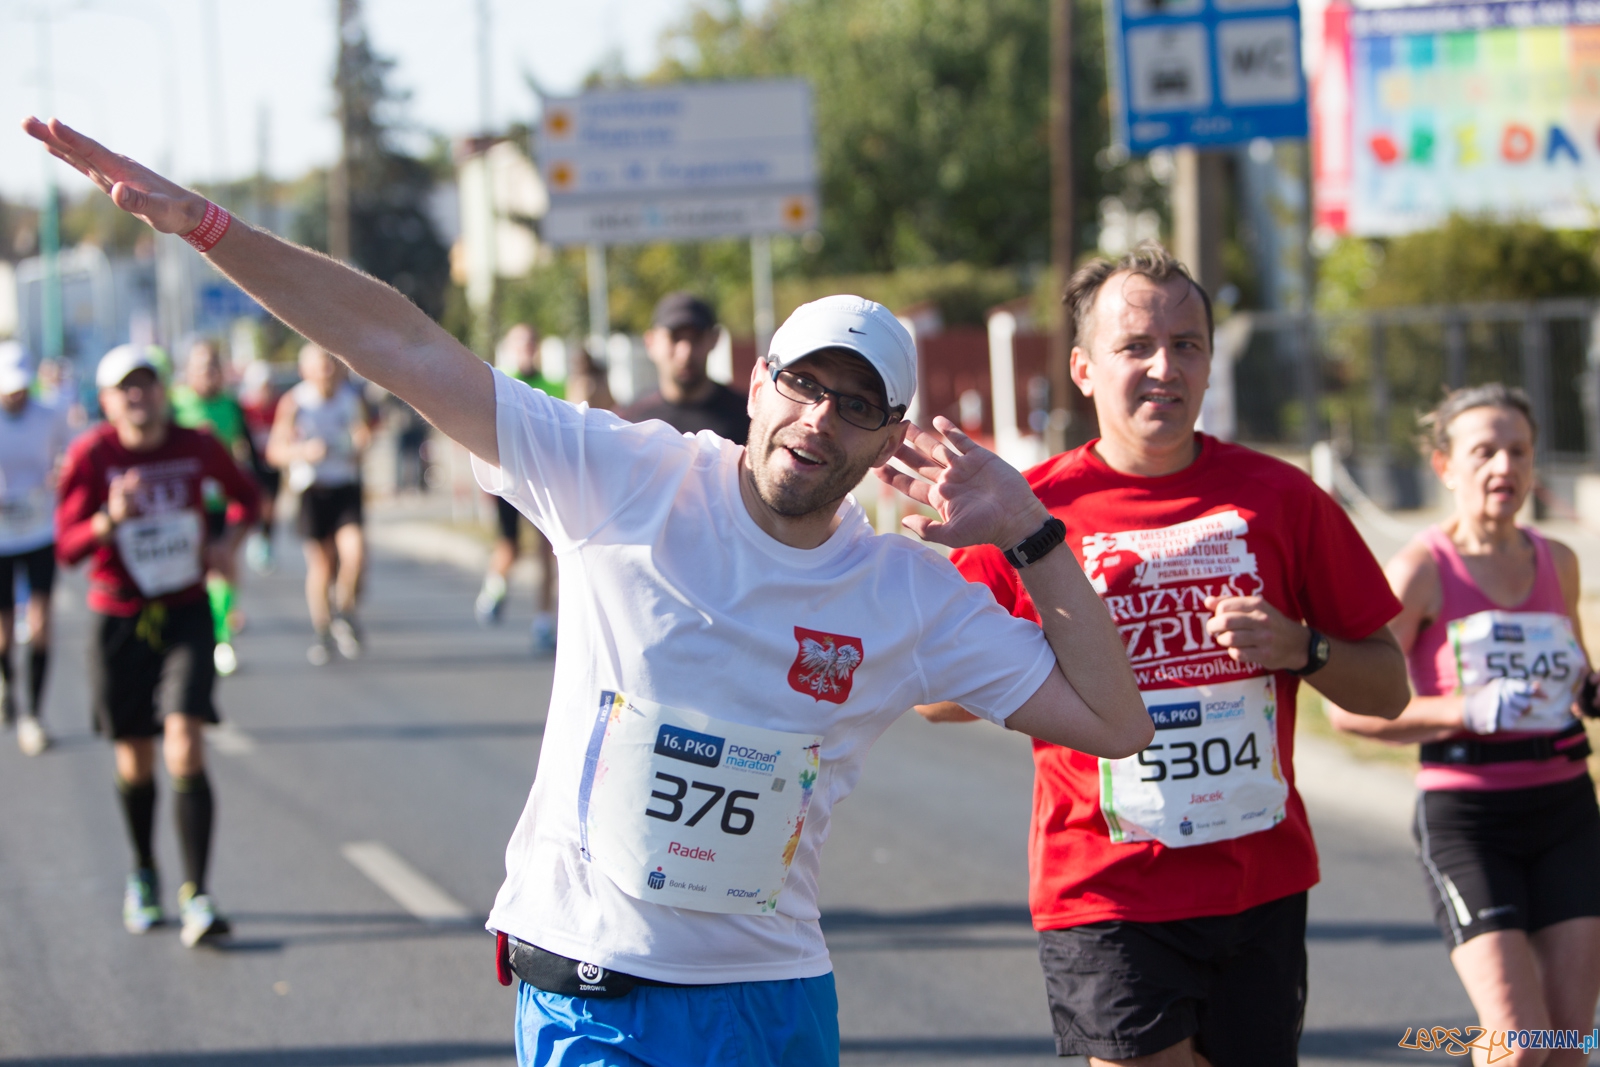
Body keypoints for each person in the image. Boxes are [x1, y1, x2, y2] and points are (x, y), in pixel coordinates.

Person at [26, 116, 1159, 1065]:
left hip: (770, 993)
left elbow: (1113, 721)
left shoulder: (906, 591)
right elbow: (404, 346)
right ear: (756, 384)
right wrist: (210, 229)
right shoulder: (625, 475)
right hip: (591, 984)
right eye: (805, 385)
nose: (820, 419)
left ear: (887, 437)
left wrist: (1029, 534)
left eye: (856, 406)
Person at [920, 243, 1411, 1067]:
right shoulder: (1028, 511)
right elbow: (936, 694)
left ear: (1211, 361)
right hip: (1102, 886)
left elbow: (1389, 688)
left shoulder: (1282, 498)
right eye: (1135, 346)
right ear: (1083, 367)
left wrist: (1299, 646)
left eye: (1186, 345)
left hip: (1259, 883)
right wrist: (1073, 642)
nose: (1163, 367)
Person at [1327, 384, 1600, 1066]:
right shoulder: (1424, 568)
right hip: (1470, 821)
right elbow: (1349, 705)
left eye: (1518, 451)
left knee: (1567, 1044)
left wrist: (1591, 690)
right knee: (1516, 1042)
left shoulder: (1557, 562)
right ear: (1446, 465)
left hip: (1567, 810)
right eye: (1484, 452)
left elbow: (1575, 678)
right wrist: (1468, 709)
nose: (1503, 468)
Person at [55, 342, 259, 947]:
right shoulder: (93, 454)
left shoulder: (196, 444)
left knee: (185, 743)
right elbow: (66, 546)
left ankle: (197, 892)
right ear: (108, 400)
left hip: (187, 612)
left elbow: (249, 495)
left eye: (148, 383)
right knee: (134, 759)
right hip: (117, 620)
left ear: (164, 390)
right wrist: (108, 520)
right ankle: (143, 871)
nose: (139, 395)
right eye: (127, 387)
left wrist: (230, 544)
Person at [268, 343, 371, 665]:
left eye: (331, 362)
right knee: (322, 565)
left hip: (345, 486)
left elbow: (363, 438)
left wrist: (354, 445)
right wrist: (303, 452)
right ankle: (322, 630)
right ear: (306, 370)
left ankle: (345, 611)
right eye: (320, 364)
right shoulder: (295, 402)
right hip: (311, 490)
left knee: (355, 553)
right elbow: (275, 452)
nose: (327, 370)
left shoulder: (350, 399)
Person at [0, 341, 71, 755]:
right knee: (5, 629)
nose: (15, 395)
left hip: (40, 528)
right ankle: (8, 688)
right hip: (1, 536)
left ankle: (35, 714)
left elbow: (70, 455)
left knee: (41, 623)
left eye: (21, 387)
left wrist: (60, 475)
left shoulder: (50, 415)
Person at [476, 323, 563, 653]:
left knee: (548, 553)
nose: (526, 349)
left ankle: (543, 623)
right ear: (511, 348)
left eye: (531, 343)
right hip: (510, 480)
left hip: (545, 481)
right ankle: (494, 587)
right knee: (509, 548)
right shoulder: (500, 385)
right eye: (520, 344)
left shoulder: (554, 385)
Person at [170, 339, 255, 676]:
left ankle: (221, 638)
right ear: (188, 372)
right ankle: (185, 637)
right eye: (201, 367)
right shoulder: (173, 405)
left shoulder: (232, 406)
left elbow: (247, 451)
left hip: (220, 504)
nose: (208, 374)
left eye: (213, 367)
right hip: (183, 509)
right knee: (189, 574)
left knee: (224, 567)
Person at [619, 292, 750, 443]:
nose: (686, 352)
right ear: (650, 343)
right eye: (674, 338)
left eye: (696, 338)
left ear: (715, 339)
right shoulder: (630, 423)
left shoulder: (748, 417)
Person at [237, 358, 284, 573]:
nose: (266, 390)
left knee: (272, 507)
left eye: (269, 386)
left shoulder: (279, 407)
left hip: (274, 463)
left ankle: (266, 539)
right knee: (260, 502)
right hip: (253, 464)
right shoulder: (245, 408)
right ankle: (257, 540)